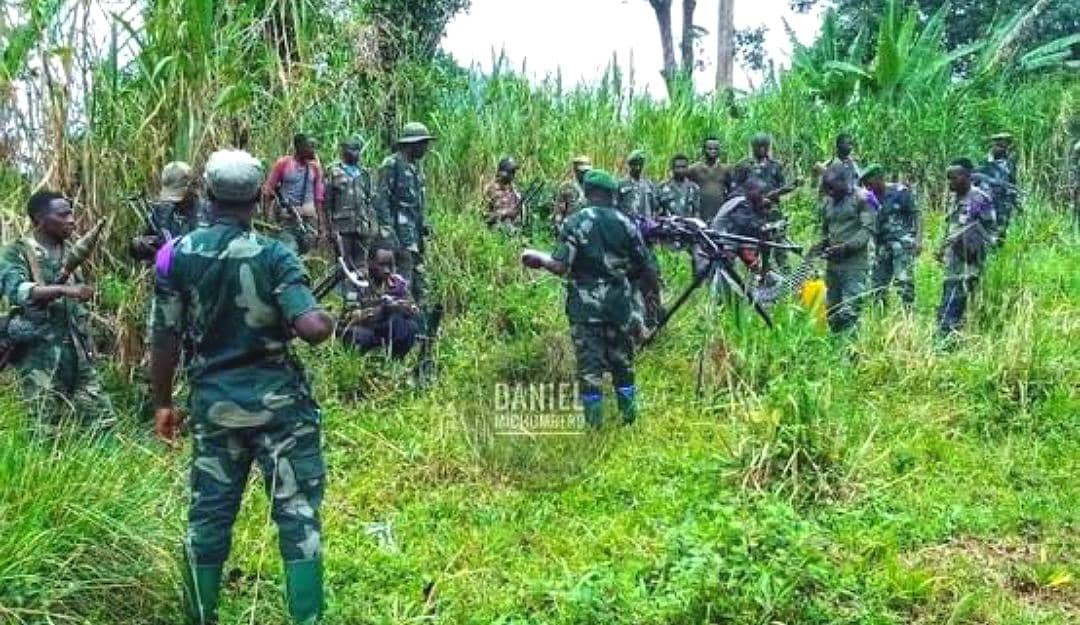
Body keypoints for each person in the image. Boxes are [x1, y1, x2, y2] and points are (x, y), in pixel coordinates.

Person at [150, 149, 335, 625]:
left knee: (208, 519)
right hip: (280, 412)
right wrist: (326, 318)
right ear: (257, 198)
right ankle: (307, 619)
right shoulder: (276, 255)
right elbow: (311, 328)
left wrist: (163, 404)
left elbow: (165, 337)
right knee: (297, 517)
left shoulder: (175, 255)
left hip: (214, 408)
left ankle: (200, 614)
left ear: (208, 195)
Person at [522, 169, 649, 428]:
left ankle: (594, 426)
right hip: (619, 305)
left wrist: (538, 258)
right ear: (611, 194)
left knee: (590, 369)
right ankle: (629, 419)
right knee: (623, 362)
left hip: (586, 307)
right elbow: (642, 264)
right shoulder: (626, 223)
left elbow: (559, 265)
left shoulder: (576, 222)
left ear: (588, 192)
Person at [0, 191, 115, 433]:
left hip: (79, 355)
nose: (72, 219)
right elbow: (18, 291)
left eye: (71, 212)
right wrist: (66, 289)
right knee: (42, 430)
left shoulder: (72, 251)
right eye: (63, 215)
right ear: (40, 219)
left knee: (102, 426)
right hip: (39, 358)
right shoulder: (17, 252)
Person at [375, 121, 435, 304]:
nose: (426, 148)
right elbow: (381, 199)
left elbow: (416, 202)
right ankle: (401, 319)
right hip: (399, 234)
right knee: (403, 277)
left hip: (414, 234)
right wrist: (388, 231)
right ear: (412, 144)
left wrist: (423, 224)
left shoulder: (416, 167)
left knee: (419, 279)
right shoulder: (392, 164)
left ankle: (420, 320)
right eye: (423, 143)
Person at [936, 158, 996, 337]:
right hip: (952, 259)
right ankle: (950, 334)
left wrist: (976, 248)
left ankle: (947, 337)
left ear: (966, 177)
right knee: (951, 297)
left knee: (956, 299)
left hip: (969, 260)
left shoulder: (978, 198)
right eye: (948, 178)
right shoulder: (955, 199)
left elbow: (991, 229)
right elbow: (952, 227)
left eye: (953, 178)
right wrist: (942, 248)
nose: (950, 183)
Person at [815, 166, 874, 333]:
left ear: (844, 183)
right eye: (827, 188)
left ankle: (851, 353)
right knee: (832, 311)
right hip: (833, 265)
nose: (829, 192)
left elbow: (867, 230)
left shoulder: (863, 198)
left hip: (854, 265)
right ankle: (835, 351)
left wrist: (846, 248)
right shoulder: (828, 202)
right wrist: (822, 244)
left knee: (850, 311)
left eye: (832, 187)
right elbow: (826, 229)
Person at [338, 247, 420, 359]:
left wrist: (403, 308)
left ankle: (395, 359)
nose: (387, 270)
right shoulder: (356, 280)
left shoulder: (396, 282)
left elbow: (413, 307)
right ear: (369, 263)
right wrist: (381, 310)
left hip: (386, 328)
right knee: (357, 335)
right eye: (382, 265)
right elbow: (349, 316)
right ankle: (357, 361)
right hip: (364, 327)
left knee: (410, 327)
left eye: (390, 265)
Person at [861, 164, 919, 308]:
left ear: (880, 178)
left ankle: (908, 315)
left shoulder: (900, 192)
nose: (868, 186)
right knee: (877, 285)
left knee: (904, 281)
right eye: (865, 184)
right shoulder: (868, 198)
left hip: (902, 244)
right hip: (881, 245)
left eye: (870, 183)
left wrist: (918, 239)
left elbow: (916, 214)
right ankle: (880, 316)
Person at [617, 150, 662, 330]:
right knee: (628, 278)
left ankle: (652, 318)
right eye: (633, 164)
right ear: (629, 165)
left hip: (647, 239)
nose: (637, 167)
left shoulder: (650, 185)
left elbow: (656, 209)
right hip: (627, 239)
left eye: (640, 164)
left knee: (651, 277)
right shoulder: (620, 185)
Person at [130, 161, 208, 261]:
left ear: (192, 187)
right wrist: (141, 245)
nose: (176, 202)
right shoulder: (161, 212)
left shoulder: (206, 214)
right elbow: (154, 238)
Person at [263, 133, 325, 255]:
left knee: (306, 256)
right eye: (310, 146)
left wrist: (320, 226)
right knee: (289, 254)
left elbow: (318, 198)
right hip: (288, 221)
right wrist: (267, 219)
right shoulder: (284, 164)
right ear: (299, 147)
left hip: (309, 222)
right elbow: (268, 191)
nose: (313, 150)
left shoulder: (315, 168)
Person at [324, 135, 377, 275]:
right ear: (343, 151)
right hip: (342, 227)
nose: (355, 153)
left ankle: (359, 294)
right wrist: (329, 229)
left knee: (361, 265)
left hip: (362, 226)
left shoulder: (365, 173)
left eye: (357, 150)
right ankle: (343, 294)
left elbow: (370, 201)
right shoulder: (333, 171)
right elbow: (327, 202)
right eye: (351, 149)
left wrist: (372, 226)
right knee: (343, 265)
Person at [984, 133, 1020, 237]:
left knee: (1002, 226)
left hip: (1004, 198)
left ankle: (997, 249)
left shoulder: (1009, 161)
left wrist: (1015, 199)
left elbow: (1012, 180)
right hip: (989, 196)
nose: (1002, 146)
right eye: (999, 143)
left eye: (1005, 143)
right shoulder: (987, 160)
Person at [688, 136, 732, 222]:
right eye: (710, 149)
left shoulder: (726, 169)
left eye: (716, 149)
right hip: (700, 211)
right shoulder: (694, 169)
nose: (713, 151)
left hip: (720, 211)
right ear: (703, 150)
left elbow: (731, 190)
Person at [484, 156, 523, 233]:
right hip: (497, 229)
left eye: (514, 172)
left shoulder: (514, 189)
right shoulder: (491, 189)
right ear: (503, 172)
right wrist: (506, 213)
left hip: (514, 228)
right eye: (511, 171)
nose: (513, 175)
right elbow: (485, 216)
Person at [553, 155, 591, 229]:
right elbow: (559, 210)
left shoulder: (594, 187)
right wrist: (558, 226)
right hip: (571, 226)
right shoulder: (566, 187)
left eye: (587, 171)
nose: (585, 174)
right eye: (582, 172)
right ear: (575, 171)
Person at [617, 150, 658, 218]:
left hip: (646, 224)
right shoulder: (621, 184)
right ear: (630, 165)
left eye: (640, 164)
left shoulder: (649, 184)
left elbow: (654, 207)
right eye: (635, 165)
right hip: (628, 223)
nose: (638, 168)